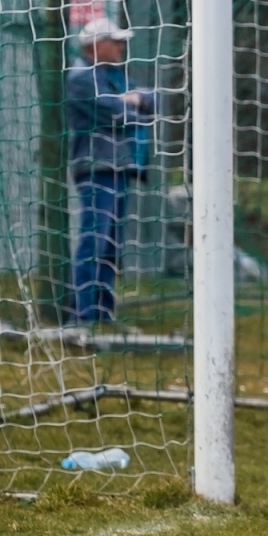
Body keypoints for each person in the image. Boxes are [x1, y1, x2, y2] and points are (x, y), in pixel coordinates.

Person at [66, 17, 154, 324]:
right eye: (114, 41)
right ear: (96, 45)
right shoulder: (80, 76)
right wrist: (131, 105)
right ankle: (83, 314)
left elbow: (151, 99)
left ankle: (103, 313)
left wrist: (134, 101)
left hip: (117, 167)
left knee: (111, 243)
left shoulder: (113, 76)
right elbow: (117, 114)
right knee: (94, 240)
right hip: (96, 167)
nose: (120, 47)